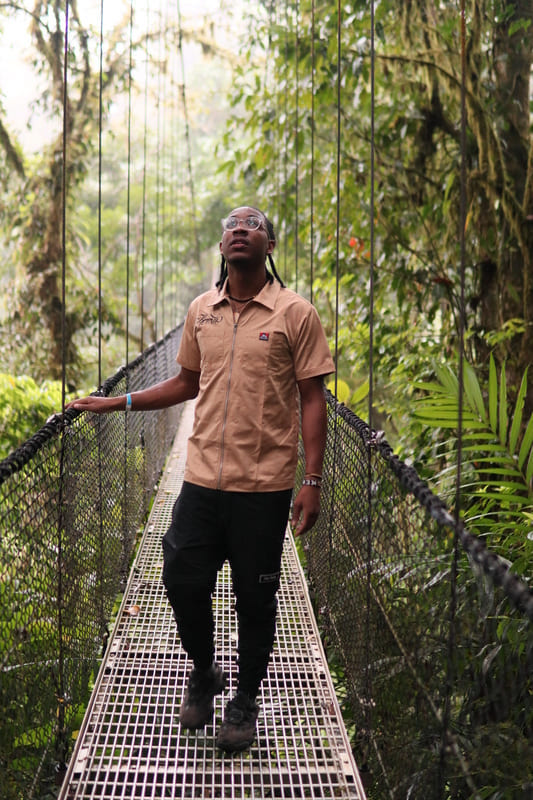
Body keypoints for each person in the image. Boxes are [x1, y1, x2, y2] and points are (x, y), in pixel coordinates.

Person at [69, 206, 335, 753]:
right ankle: (205, 669)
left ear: (269, 245)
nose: (241, 229)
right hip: (199, 480)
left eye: (255, 224)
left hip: (263, 488)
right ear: (221, 245)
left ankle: (244, 703)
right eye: (233, 224)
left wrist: (313, 478)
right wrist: (118, 401)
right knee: (182, 582)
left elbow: (313, 397)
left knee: (255, 602)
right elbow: (186, 383)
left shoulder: (295, 313)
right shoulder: (201, 311)